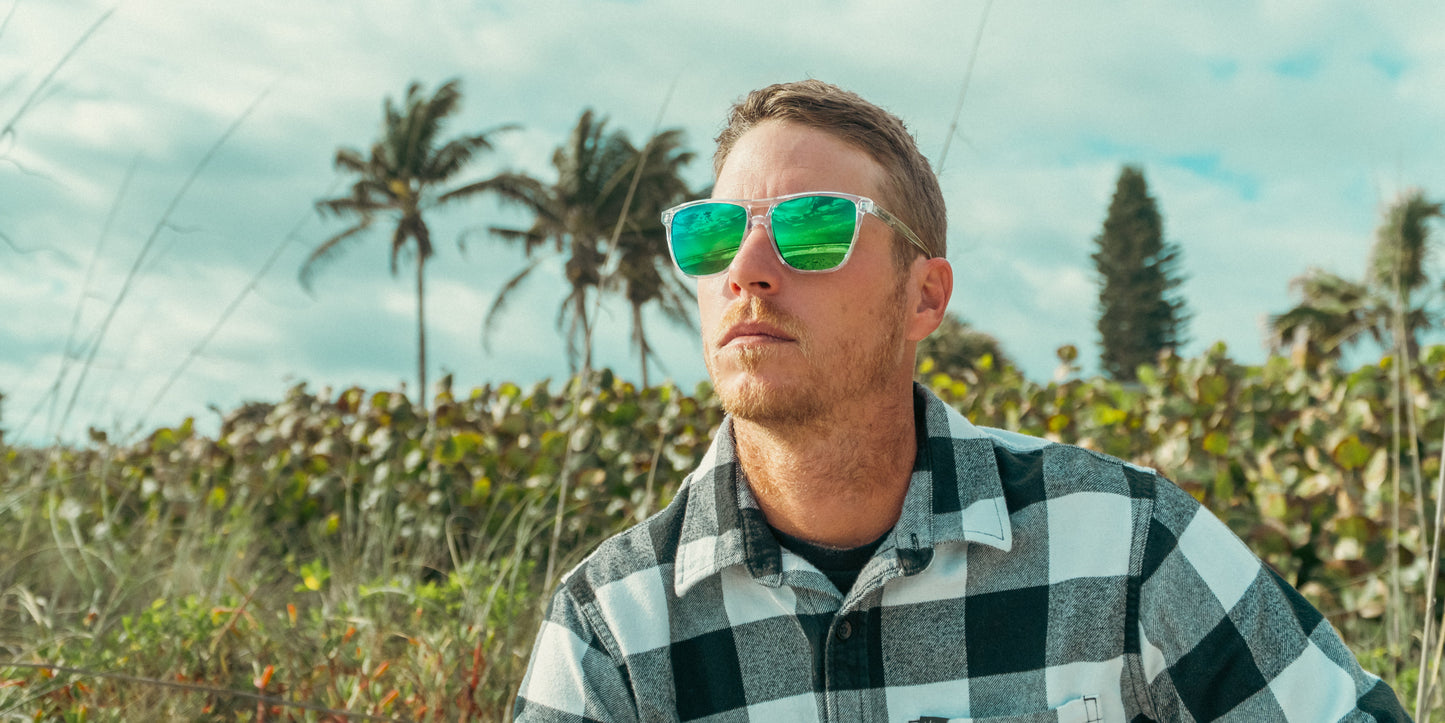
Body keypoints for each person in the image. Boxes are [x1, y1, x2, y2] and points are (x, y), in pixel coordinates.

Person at [513, 80, 1408, 722]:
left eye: (812, 227)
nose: (746, 269)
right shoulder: (615, 628)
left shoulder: (1126, 545)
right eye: (710, 235)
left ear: (924, 296)